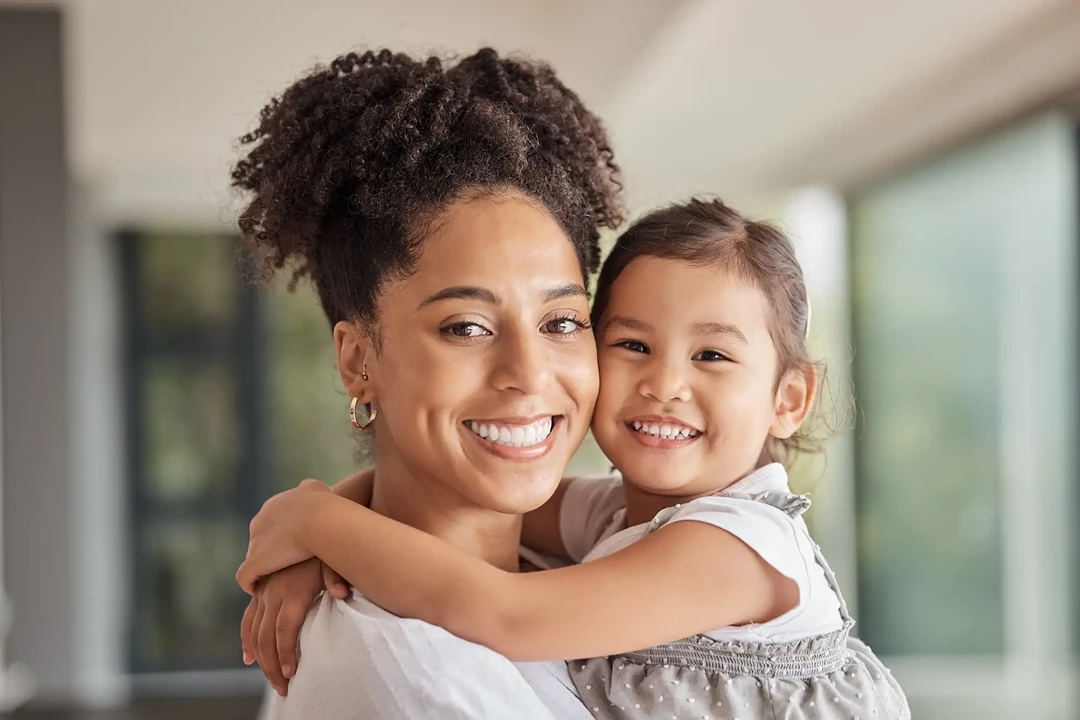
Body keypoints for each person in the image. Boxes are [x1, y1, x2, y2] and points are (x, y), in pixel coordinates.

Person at [240, 199, 911, 719]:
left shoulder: (740, 548)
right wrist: (311, 520)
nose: (665, 384)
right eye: (632, 345)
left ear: (788, 398)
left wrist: (317, 526)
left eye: (712, 356)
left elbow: (504, 613)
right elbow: (452, 498)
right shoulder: (610, 512)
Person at [231, 46, 623, 719]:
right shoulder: (416, 682)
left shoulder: (583, 559)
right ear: (359, 360)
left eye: (561, 321)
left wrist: (319, 521)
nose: (528, 374)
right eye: (467, 327)